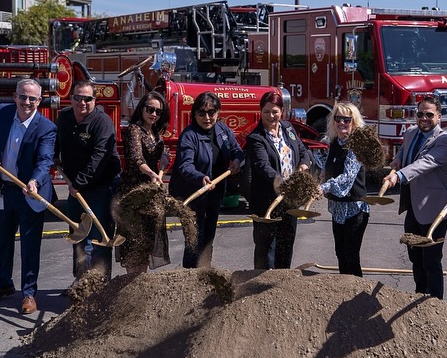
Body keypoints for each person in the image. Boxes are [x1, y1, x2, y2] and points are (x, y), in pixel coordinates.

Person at [0, 79, 57, 314]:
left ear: (39, 101)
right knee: (4, 241)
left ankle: (29, 293)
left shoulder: (46, 128)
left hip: (30, 192)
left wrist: (34, 181)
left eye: (32, 98)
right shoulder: (3, 113)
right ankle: (3, 285)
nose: (27, 102)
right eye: (23, 97)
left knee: (30, 245)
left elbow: (44, 161)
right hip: (5, 189)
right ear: (15, 96)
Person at [384, 96, 447, 299]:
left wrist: (398, 176)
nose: (424, 118)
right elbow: (405, 154)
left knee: (431, 259)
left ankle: (435, 303)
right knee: (414, 255)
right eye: (420, 114)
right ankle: (419, 295)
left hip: (435, 208)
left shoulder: (445, 140)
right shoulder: (410, 133)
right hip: (413, 206)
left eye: (429, 115)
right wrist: (397, 162)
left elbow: (424, 164)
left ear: (439, 117)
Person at [56, 80, 121, 282]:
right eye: (78, 98)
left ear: (95, 100)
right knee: (78, 233)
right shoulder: (65, 117)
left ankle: (100, 283)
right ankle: (81, 281)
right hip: (76, 186)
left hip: (101, 186)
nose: (82, 102)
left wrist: (79, 183)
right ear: (72, 98)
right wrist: (52, 157)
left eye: (87, 99)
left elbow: (99, 157)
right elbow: (56, 142)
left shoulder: (102, 122)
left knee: (99, 236)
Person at [169, 92, 243, 268]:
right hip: (193, 195)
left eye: (212, 112)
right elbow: (184, 166)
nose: (207, 117)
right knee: (195, 240)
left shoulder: (223, 130)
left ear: (218, 113)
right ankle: (189, 279)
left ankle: (205, 273)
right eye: (202, 113)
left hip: (214, 194)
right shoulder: (189, 136)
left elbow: (237, 150)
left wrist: (237, 161)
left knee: (209, 237)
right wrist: (200, 178)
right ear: (194, 114)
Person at [245, 91, 311, 269]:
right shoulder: (256, 138)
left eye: (274, 111)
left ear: (282, 111)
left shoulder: (288, 129)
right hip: (267, 201)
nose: (270, 116)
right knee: (266, 250)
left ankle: (281, 286)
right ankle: (261, 287)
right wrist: (284, 184)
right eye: (266, 112)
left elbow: (303, 150)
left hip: (290, 200)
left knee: (286, 245)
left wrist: (304, 164)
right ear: (260, 112)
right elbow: (263, 166)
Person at [115, 91, 171, 274]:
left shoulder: (155, 132)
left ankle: (141, 282)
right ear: (142, 109)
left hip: (149, 193)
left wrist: (163, 162)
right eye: (150, 109)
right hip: (133, 193)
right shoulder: (134, 130)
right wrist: (151, 173)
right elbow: (137, 158)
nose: (153, 114)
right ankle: (131, 283)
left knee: (146, 241)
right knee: (133, 241)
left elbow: (159, 160)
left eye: (158, 111)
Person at [318, 102, 370, 277]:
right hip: (338, 207)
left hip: (355, 208)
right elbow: (328, 166)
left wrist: (323, 187)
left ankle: (357, 298)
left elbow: (347, 178)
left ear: (353, 122)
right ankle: (344, 294)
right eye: (337, 118)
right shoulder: (334, 142)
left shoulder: (356, 146)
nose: (341, 123)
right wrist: (323, 174)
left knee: (351, 256)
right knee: (340, 254)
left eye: (346, 119)